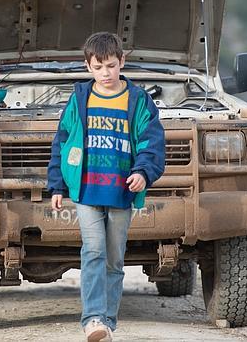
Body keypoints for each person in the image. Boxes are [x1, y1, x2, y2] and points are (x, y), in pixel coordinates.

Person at [47, 32, 165, 342]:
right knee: (94, 250)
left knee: (114, 257)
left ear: (122, 62)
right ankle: (93, 318)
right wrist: (57, 185)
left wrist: (143, 172)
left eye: (111, 66)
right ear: (88, 66)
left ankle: (107, 321)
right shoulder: (80, 98)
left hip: (121, 192)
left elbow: (151, 142)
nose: (106, 73)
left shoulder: (138, 100)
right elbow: (62, 140)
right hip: (86, 191)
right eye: (99, 67)